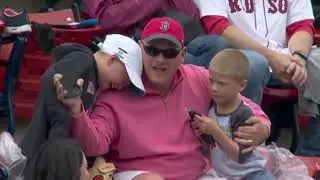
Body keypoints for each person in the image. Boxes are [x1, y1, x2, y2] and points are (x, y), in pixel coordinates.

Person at [54, 17, 271, 180]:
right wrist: (76, 110)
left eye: (169, 52)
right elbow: (95, 146)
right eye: (153, 50)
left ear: (183, 54)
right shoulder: (120, 87)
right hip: (136, 174)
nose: (160, 59)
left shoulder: (200, 78)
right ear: (141, 48)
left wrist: (262, 126)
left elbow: (243, 103)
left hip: (198, 174)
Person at [193, 0, 320, 155]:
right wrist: (272, 57)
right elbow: (218, 26)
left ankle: (312, 154)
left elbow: (302, 25)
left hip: (285, 55)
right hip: (237, 53)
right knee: (255, 63)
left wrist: (299, 58)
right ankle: (246, 149)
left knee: (316, 61)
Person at [20, 34, 145, 174]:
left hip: (52, 155)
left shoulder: (96, 85)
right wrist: (68, 90)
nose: (121, 86)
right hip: (44, 151)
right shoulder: (84, 59)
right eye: (125, 78)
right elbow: (58, 78)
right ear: (112, 60)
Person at [193, 49, 274, 180]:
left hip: (250, 173)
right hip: (223, 174)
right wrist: (203, 134)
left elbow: (239, 156)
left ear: (241, 85)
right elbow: (213, 147)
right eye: (211, 80)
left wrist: (216, 131)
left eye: (221, 83)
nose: (213, 88)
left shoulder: (243, 113)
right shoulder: (212, 108)